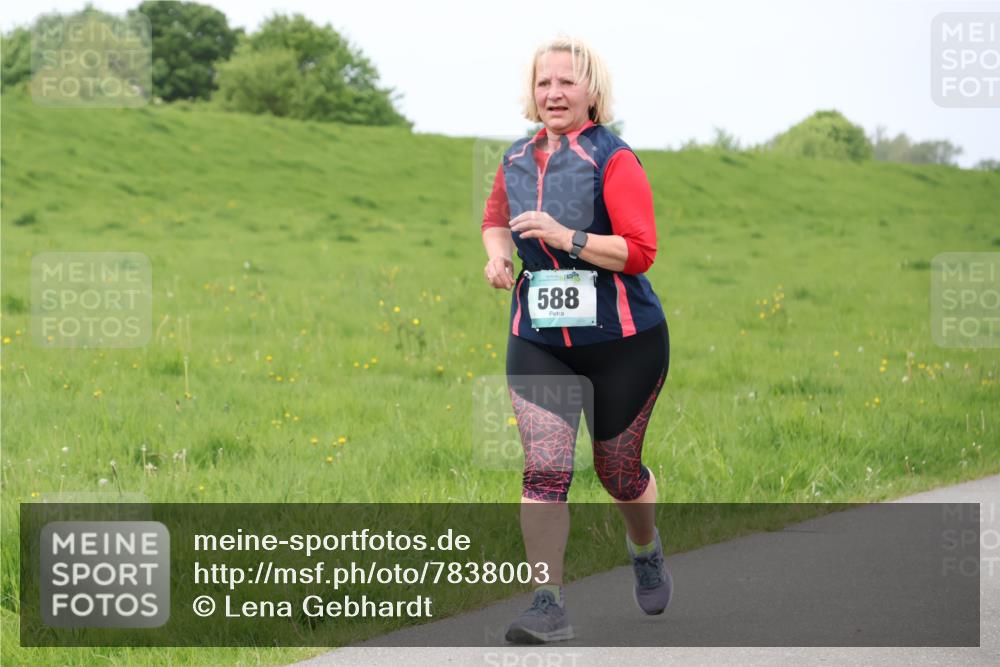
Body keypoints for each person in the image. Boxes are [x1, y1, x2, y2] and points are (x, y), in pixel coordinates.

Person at [480, 35, 673, 644]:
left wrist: (567, 237)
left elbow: (640, 252)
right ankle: (547, 605)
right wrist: (497, 258)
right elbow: (493, 221)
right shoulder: (514, 158)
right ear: (531, 94)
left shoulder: (614, 159)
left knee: (618, 472)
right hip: (539, 338)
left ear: (591, 90)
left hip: (624, 341)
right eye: (544, 83)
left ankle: (644, 549)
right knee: (544, 471)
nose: (554, 92)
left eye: (566, 81)